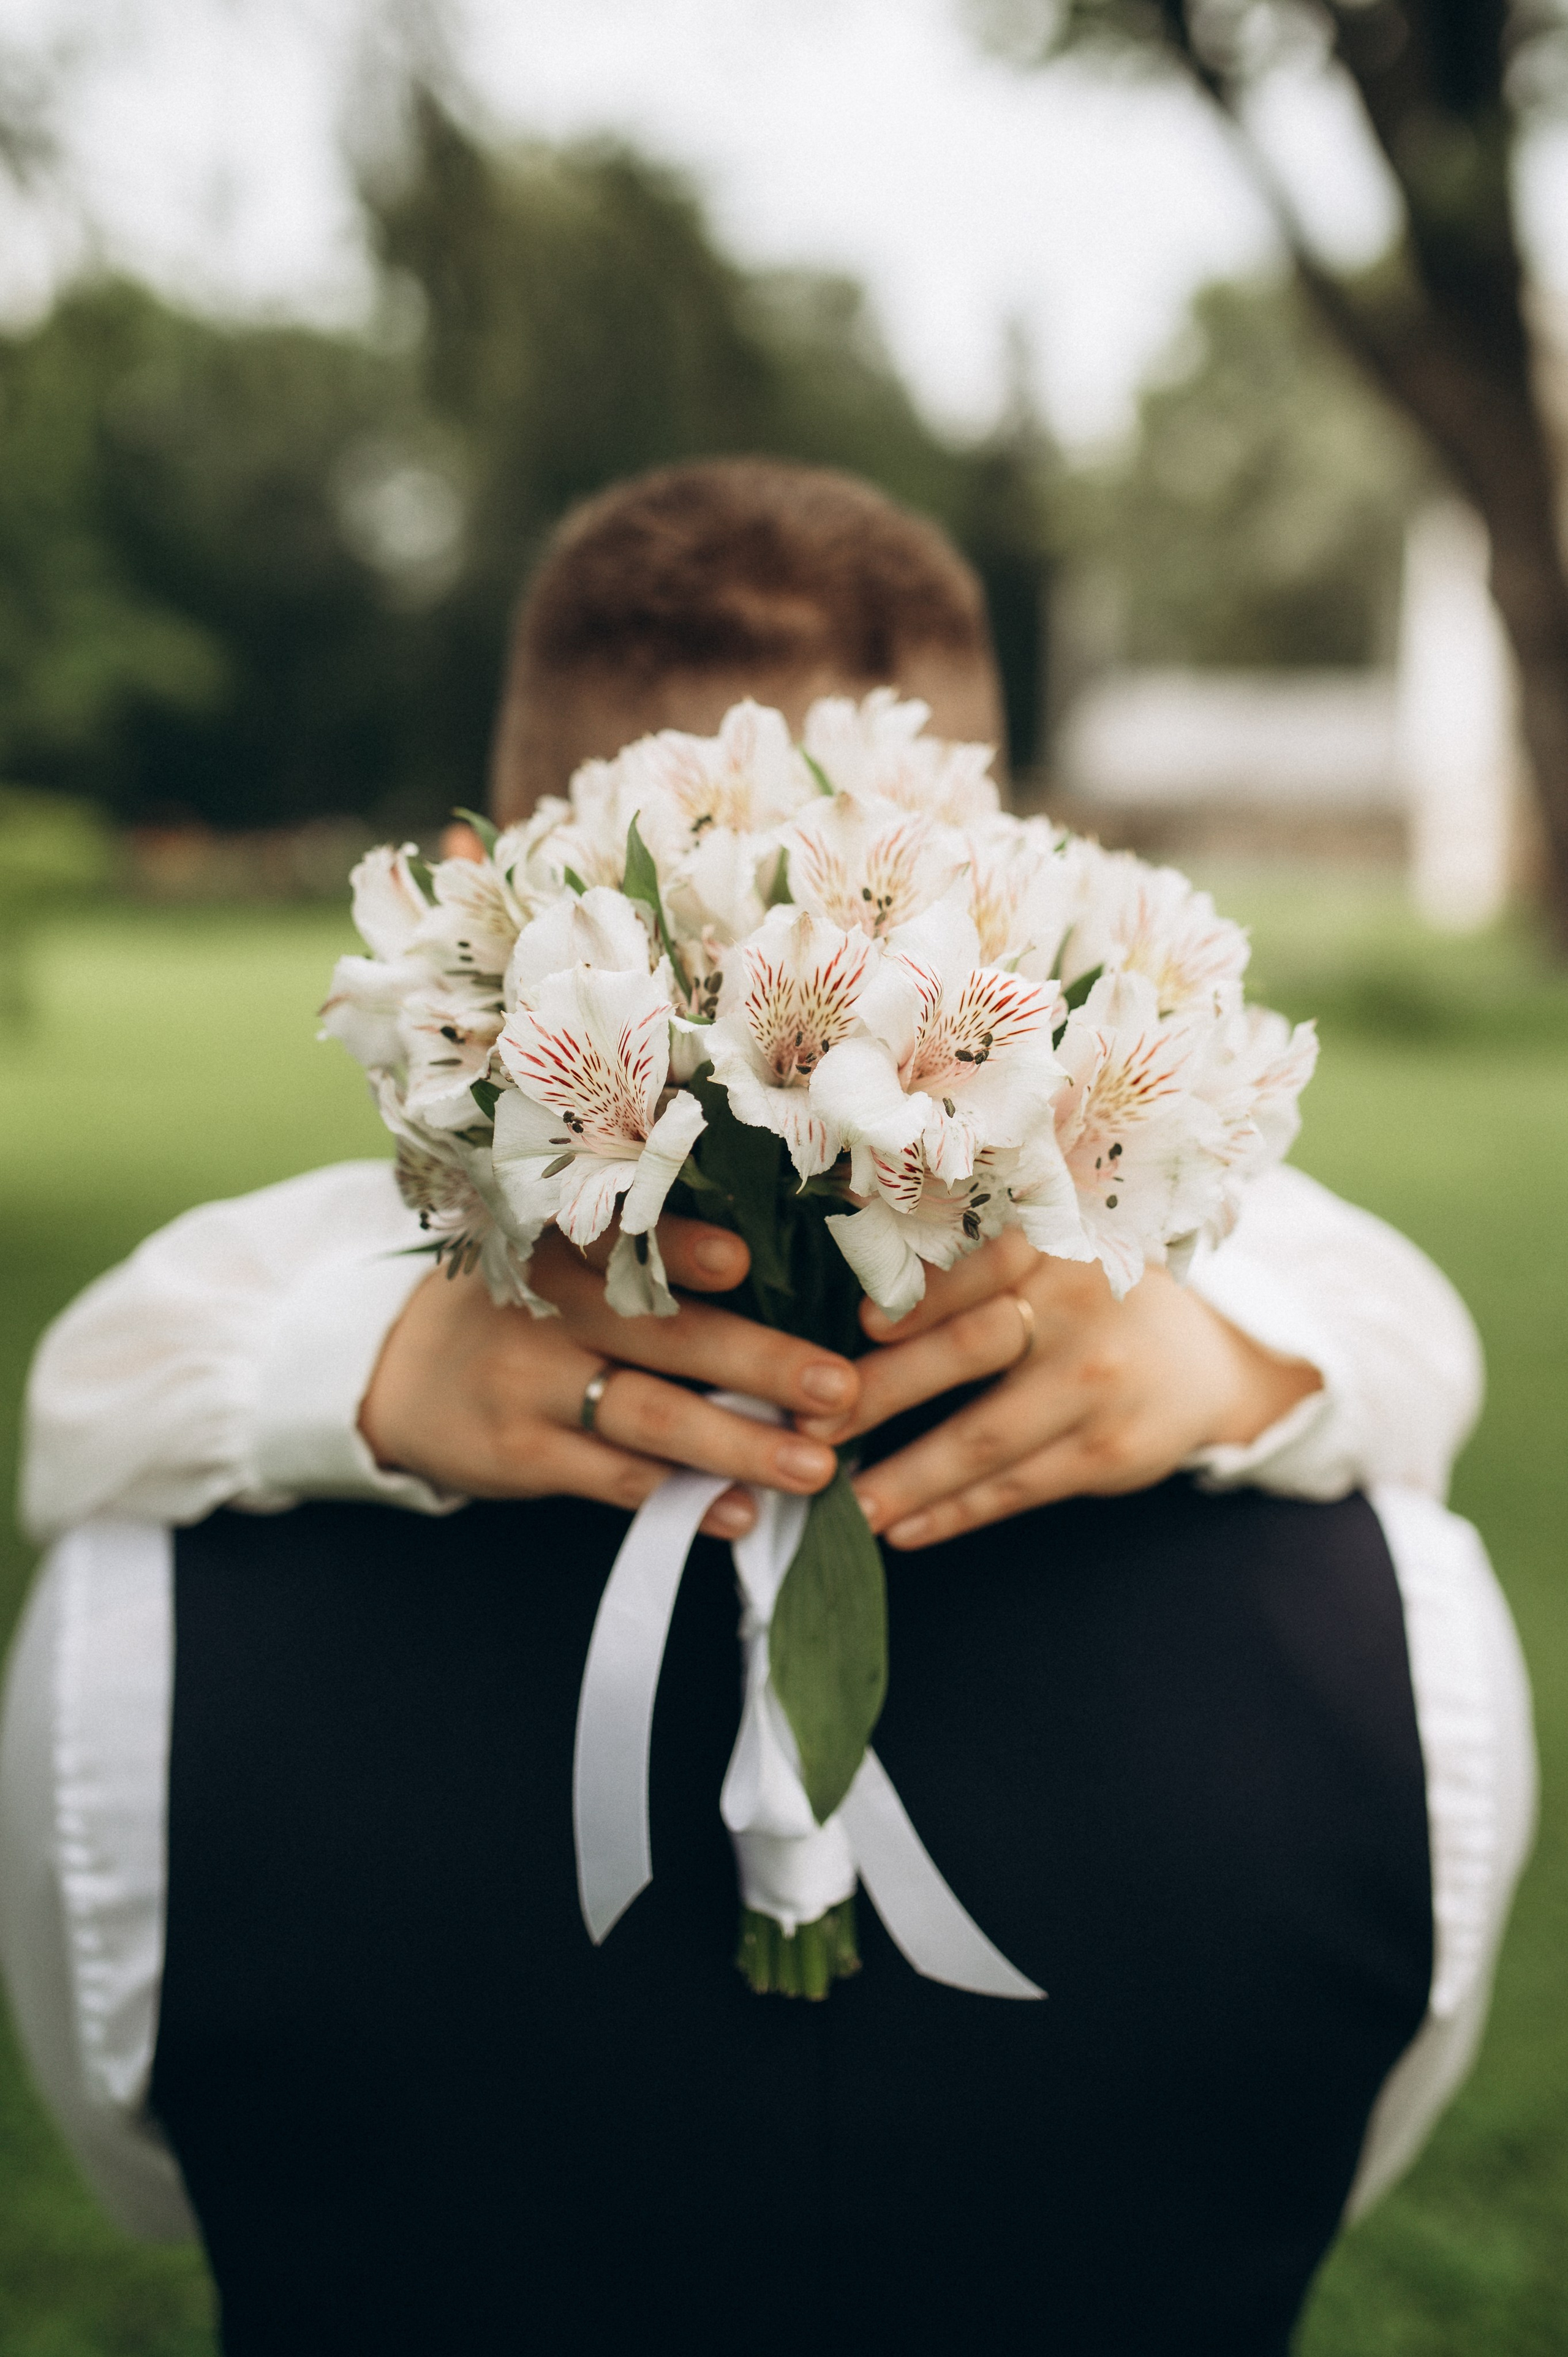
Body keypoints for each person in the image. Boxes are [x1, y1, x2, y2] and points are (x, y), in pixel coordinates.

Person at [1, 461, 1535, 2356]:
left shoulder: (139, 1629)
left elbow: (143, 2163)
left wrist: (1230, 1353)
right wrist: (364, 1369)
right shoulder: (1415, 1633)